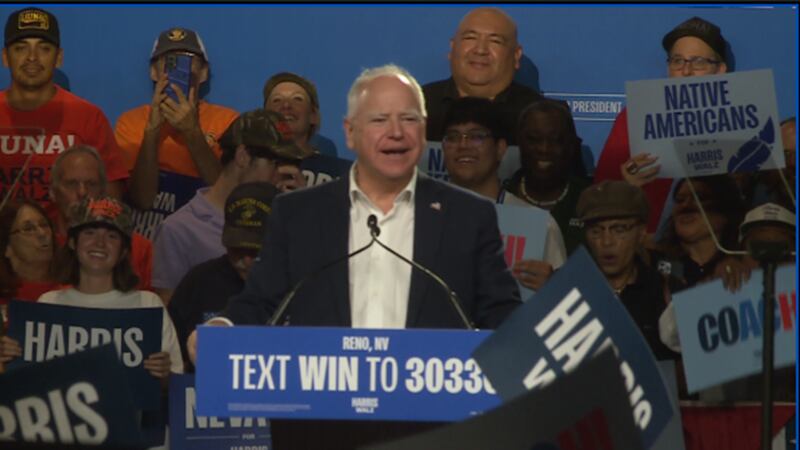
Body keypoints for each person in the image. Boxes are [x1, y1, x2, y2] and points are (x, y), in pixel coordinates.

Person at [187, 64, 521, 448]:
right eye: (379, 119)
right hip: (320, 430)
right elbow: (262, 301)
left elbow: (501, 312)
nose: (395, 132)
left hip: (434, 431)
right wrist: (223, 329)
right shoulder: (298, 213)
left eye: (408, 119)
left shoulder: (468, 216)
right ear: (350, 133)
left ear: (423, 131)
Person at [151, 109, 312, 304]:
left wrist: (302, 212)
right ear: (243, 156)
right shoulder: (179, 230)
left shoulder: (285, 220)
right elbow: (172, 321)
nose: (285, 173)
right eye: (276, 163)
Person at [594, 16, 730, 232]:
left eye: (699, 62)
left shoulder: (737, 120)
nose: (686, 72)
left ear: (720, 69)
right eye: (678, 61)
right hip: (647, 245)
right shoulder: (635, 116)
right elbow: (600, 193)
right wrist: (626, 187)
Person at [115, 27, 239, 239]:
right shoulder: (131, 122)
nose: (179, 70)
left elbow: (226, 197)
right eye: (169, 62)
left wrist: (192, 132)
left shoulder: (227, 121)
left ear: (203, 73)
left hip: (203, 236)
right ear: (153, 72)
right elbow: (141, 200)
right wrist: (152, 132)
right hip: (147, 232)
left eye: (188, 61)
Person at [0, 7, 127, 215]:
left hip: (68, 243)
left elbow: (110, 204)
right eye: (21, 48)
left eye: (44, 48)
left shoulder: (88, 117)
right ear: (5, 57)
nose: (32, 57)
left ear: (58, 57)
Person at [440, 96, 566, 290]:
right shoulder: (422, 216)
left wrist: (553, 290)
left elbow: (564, 309)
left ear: (500, 149)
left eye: (476, 136)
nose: (463, 145)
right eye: (453, 137)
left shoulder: (539, 224)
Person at [168, 181, 277, 371]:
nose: (246, 260)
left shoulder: (304, 286)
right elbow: (174, 364)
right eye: (237, 249)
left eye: (256, 252)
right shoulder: (199, 283)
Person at [576, 181, 680, 360]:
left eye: (619, 229)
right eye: (596, 231)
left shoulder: (668, 292)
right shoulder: (566, 291)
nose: (606, 241)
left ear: (641, 233)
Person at [423, 7, 543, 144]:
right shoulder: (418, 106)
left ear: (516, 55)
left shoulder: (541, 118)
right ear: (452, 47)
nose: (480, 50)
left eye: (495, 41)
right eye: (470, 38)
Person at [49, 145, 153, 290]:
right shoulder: (39, 244)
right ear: (53, 192)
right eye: (71, 184)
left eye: (91, 184)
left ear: (103, 191)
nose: (82, 192)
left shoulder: (137, 248)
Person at [505, 98, 592, 254]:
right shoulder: (499, 201)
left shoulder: (592, 201)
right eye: (533, 139)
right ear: (519, 142)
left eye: (556, 140)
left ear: (571, 145)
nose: (544, 149)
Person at [652, 175, 749, 291]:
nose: (685, 205)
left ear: (726, 213)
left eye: (700, 198)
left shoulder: (746, 263)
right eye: (679, 200)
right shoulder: (662, 263)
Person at [0, 199, 58, 324]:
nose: (42, 233)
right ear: (6, 247)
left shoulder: (71, 288)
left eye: (44, 225)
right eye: (28, 229)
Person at [263, 71, 336, 157]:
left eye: (297, 98)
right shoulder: (248, 166)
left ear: (313, 115)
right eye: (277, 100)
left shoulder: (329, 164)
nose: (286, 105)